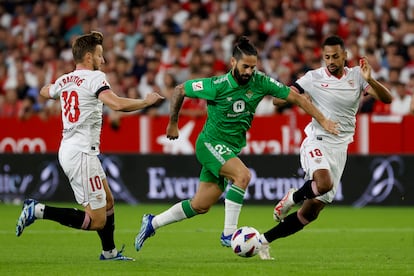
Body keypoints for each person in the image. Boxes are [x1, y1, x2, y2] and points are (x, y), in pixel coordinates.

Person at [134, 36, 339, 252]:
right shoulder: (216, 85)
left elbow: (297, 98)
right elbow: (179, 90)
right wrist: (173, 123)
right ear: (233, 62)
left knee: (200, 205)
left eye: (253, 67)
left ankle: (152, 222)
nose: (249, 71)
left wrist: (322, 119)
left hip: (228, 149)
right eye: (245, 66)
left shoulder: (261, 82)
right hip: (210, 144)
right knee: (243, 176)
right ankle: (229, 234)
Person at [15, 31, 164, 261]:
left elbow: (46, 91)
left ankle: (109, 252)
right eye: (100, 55)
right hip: (81, 153)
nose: (102, 61)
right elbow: (115, 103)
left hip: (74, 150)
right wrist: (146, 101)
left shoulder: (65, 80)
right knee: (96, 220)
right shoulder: (95, 78)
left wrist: (51, 88)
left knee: (108, 201)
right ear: (88, 57)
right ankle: (37, 210)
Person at [257, 35, 393, 260]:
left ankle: (263, 241)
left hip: (340, 149)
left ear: (345, 56)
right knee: (323, 183)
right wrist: (297, 96)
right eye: (327, 56)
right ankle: (292, 198)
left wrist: (371, 79)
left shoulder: (358, 76)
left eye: (335, 56)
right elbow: (277, 101)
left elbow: (386, 99)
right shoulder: (313, 78)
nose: (331, 60)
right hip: (317, 140)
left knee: (310, 213)